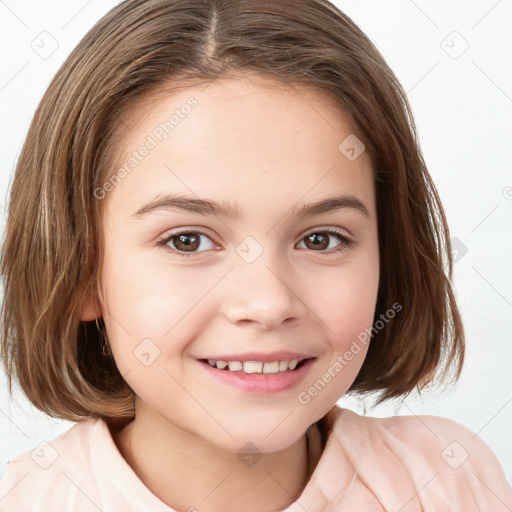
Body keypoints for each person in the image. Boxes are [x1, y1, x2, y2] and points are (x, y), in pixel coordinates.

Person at [0, 0, 510, 510]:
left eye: (320, 239)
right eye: (187, 240)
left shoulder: (448, 479)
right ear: (79, 272)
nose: (268, 303)